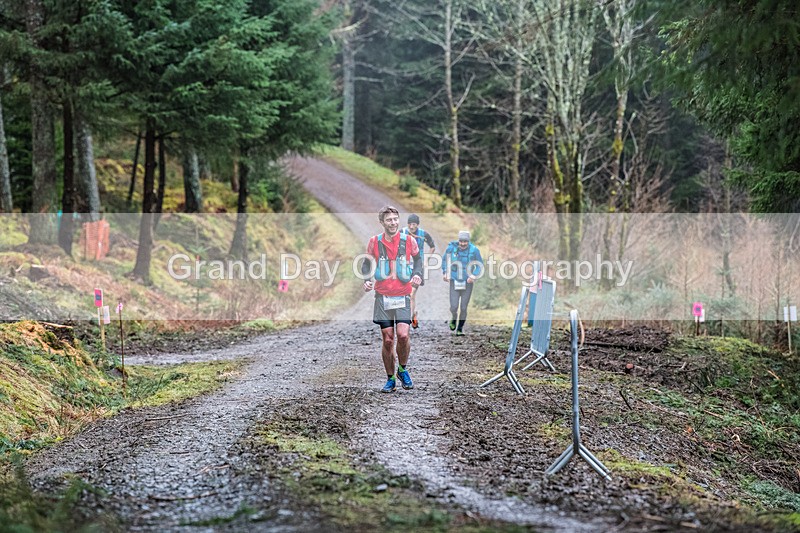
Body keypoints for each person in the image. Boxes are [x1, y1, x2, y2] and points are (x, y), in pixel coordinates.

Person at [362, 206, 423, 393]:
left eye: (395, 219)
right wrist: (366, 280)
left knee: (403, 335)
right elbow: (366, 264)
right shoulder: (374, 242)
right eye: (389, 220)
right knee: (388, 340)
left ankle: (402, 369)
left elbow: (418, 261)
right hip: (382, 297)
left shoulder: (409, 241)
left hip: (403, 295)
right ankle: (390, 379)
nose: (393, 223)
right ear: (382, 222)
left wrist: (417, 274)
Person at [442, 230, 484, 336]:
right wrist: (445, 272)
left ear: (468, 241)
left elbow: (480, 265)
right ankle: (454, 317)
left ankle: (460, 328)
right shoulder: (451, 248)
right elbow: (445, 260)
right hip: (454, 280)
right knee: (454, 306)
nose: (463, 244)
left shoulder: (474, 250)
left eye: (465, 242)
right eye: (461, 241)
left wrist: (473, 275)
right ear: (458, 240)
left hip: (467, 282)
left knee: (464, 307)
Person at [400, 214, 436, 329]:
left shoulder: (423, 234)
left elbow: (432, 246)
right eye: (409, 224)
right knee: (403, 294)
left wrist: (426, 260)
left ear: (417, 225)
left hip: (417, 267)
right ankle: (412, 313)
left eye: (414, 224)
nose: (411, 227)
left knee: (411, 294)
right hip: (404, 267)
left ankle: (408, 320)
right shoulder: (402, 232)